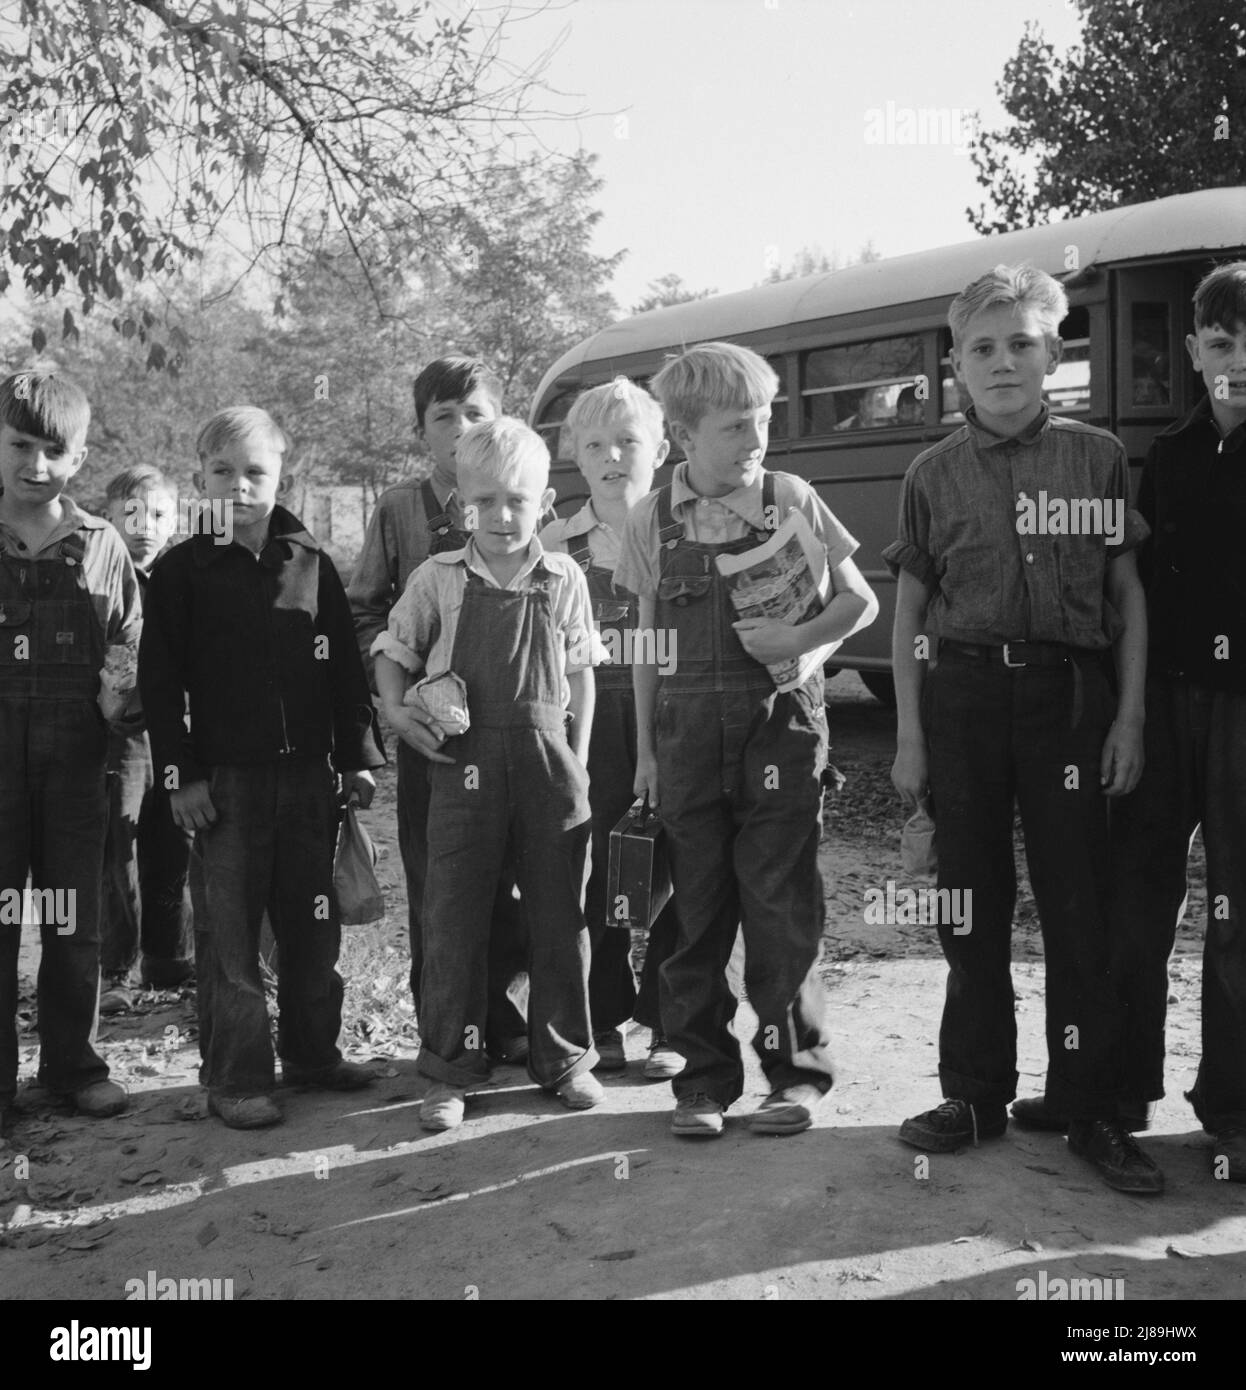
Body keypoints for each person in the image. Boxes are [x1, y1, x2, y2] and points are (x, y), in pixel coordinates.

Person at [886, 263, 1163, 1194]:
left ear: (1052, 352)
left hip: (1069, 703)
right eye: (982, 349)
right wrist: (912, 737)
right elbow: (910, 612)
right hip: (962, 699)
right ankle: (973, 1093)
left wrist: (1127, 716)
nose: (1003, 362)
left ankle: (1088, 1106)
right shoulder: (932, 473)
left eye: (1021, 344)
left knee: (1078, 906)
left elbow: (1126, 593)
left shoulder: (1098, 459)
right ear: (956, 366)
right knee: (969, 905)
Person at [1012, 261, 1246, 1183]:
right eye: (1223, 345)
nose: (1241, 363)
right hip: (1165, 709)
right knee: (1137, 902)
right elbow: (1133, 595)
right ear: (1193, 352)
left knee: (1237, 913)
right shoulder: (1171, 456)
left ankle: (1232, 1106)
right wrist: (1130, 713)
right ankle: (1115, 1092)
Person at [615, 341, 878, 1138]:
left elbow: (859, 603)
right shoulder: (650, 519)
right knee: (695, 916)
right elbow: (649, 648)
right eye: (735, 426)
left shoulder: (792, 497)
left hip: (782, 731)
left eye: (762, 419)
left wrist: (803, 644)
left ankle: (794, 1077)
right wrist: (646, 755)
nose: (755, 438)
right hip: (687, 736)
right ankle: (699, 1082)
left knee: (780, 908)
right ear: (686, 437)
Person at [139, 407, 385, 1129]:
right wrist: (181, 776)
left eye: (256, 473)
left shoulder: (310, 562)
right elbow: (159, 684)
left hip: (310, 781)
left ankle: (314, 1056)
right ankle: (236, 1078)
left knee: (312, 927)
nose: (240, 488)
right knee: (229, 936)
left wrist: (357, 759)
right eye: (223, 473)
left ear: (282, 478)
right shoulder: (183, 571)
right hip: (225, 788)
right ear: (200, 479)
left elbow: (343, 669)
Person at [373, 417, 601, 1131]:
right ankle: (450, 1069)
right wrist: (393, 711)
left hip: (547, 769)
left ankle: (563, 1059)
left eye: (519, 501)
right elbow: (392, 649)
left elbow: (581, 674)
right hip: (462, 774)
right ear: (462, 505)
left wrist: (580, 760)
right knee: (454, 919)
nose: (504, 516)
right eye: (488, 501)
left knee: (559, 920)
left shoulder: (563, 578)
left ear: (545, 505)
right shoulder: (437, 579)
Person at [348, 356, 529, 1062]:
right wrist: (394, 700)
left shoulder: (524, 498)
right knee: (438, 883)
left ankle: (502, 1014)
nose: (461, 429)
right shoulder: (401, 509)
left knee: (512, 878)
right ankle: (446, 1028)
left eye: (476, 413)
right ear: (422, 431)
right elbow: (364, 610)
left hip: (514, 727)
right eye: (443, 417)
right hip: (433, 736)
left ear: (501, 420)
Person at [0, 370, 138, 1134]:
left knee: (71, 917)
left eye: (55, 450)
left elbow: (128, 641)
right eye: (21, 444)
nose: (37, 464)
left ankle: (74, 1068)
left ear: (79, 457)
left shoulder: (100, 543)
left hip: (75, 757)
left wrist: (126, 683)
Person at [541, 377, 683, 1080]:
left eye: (629, 440)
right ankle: (603, 1015)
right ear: (575, 454)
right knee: (595, 865)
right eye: (595, 443)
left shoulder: (686, 528)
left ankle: (669, 1018)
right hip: (594, 718)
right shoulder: (554, 544)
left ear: (659, 448)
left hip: (679, 714)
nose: (612, 456)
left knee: (684, 867)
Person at [98, 465, 194, 1014]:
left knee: (174, 842)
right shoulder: (102, 574)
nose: (144, 526)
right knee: (120, 847)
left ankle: (168, 956)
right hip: (124, 735)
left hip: (176, 733)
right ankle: (117, 967)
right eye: (130, 514)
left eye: (157, 514)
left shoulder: (182, 577)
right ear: (110, 517)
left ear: (175, 519)